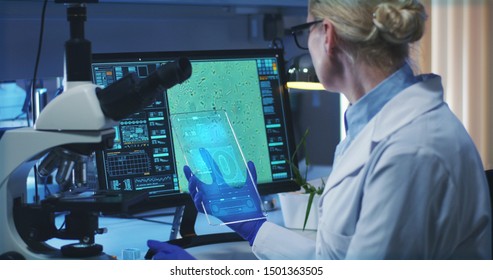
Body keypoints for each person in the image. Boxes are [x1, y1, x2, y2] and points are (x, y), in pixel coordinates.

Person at [148, 0, 491, 260]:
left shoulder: (412, 150)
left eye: (305, 31)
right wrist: (253, 225)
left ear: (327, 35)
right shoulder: (375, 126)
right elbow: (336, 261)